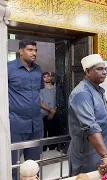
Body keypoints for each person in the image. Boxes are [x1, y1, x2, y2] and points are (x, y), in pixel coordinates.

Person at [68, 54, 107, 176]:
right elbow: (90, 127)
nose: (104, 72)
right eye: (99, 69)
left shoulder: (97, 90)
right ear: (87, 71)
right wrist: (105, 155)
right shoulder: (82, 93)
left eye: (105, 69)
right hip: (90, 154)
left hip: (101, 152)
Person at [8, 39, 44, 180]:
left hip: (36, 124)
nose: (34, 53)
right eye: (30, 50)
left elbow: (37, 94)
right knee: (14, 164)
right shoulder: (8, 68)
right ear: (21, 51)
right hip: (16, 124)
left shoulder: (38, 70)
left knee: (34, 163)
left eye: (35, 50)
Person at [40, 72, 57, 151]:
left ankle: (52, 148)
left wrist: (53, 111)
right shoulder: (41, 90)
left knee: (53, 131)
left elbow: (59, 101)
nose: (47, 78)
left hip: (54, 114)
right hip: (43, 115)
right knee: (43, 132)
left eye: (48, 76)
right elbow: (40, 103)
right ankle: (43, 148)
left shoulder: (56, 88)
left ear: (51, 77)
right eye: (44, 77)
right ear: (42, 79)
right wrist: (50, 110)